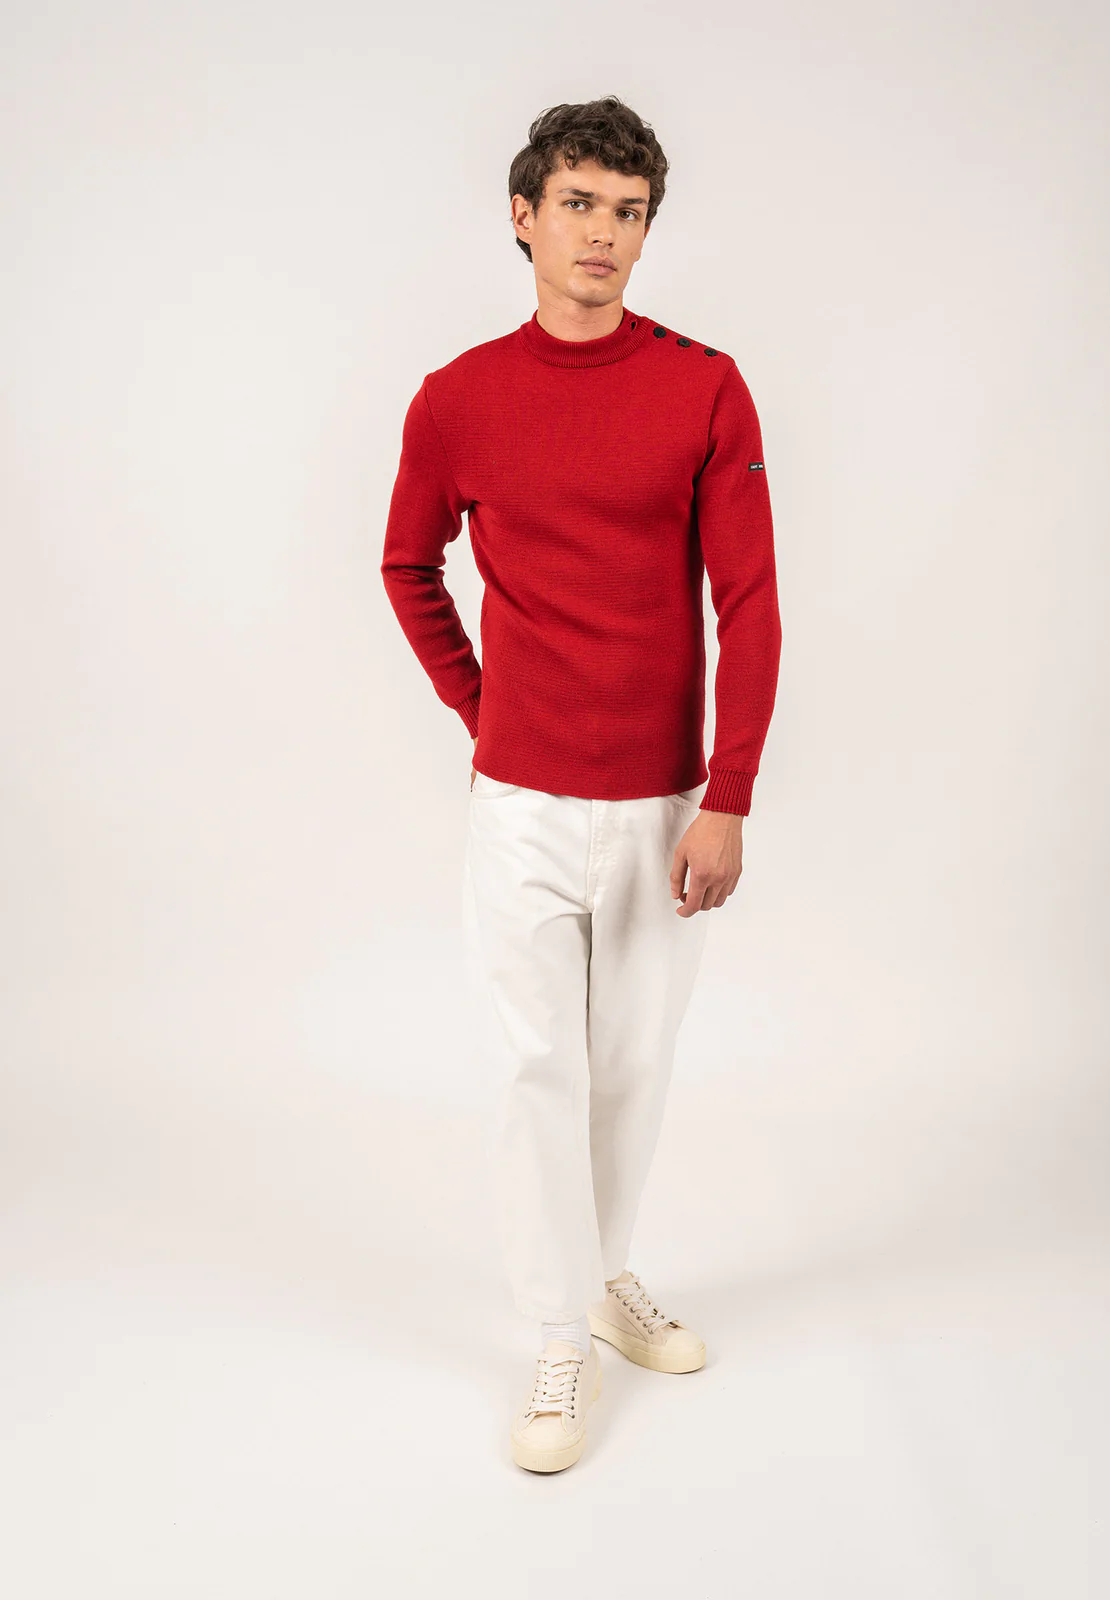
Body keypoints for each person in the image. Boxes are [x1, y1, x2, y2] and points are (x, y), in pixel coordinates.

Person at [380, 95, 781, 1473]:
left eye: (628, 211)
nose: (603, 233)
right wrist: (482, 704)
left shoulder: (705, 385)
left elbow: (750, 601)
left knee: (633, 1067)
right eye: (578, 205)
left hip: (668, 800)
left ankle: (602, 1273)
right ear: (524, 215)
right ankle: (561, 1335)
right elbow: (407, 565)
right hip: (522, 804)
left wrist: (728, 793)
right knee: (536, 1067)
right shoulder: (458, 398)